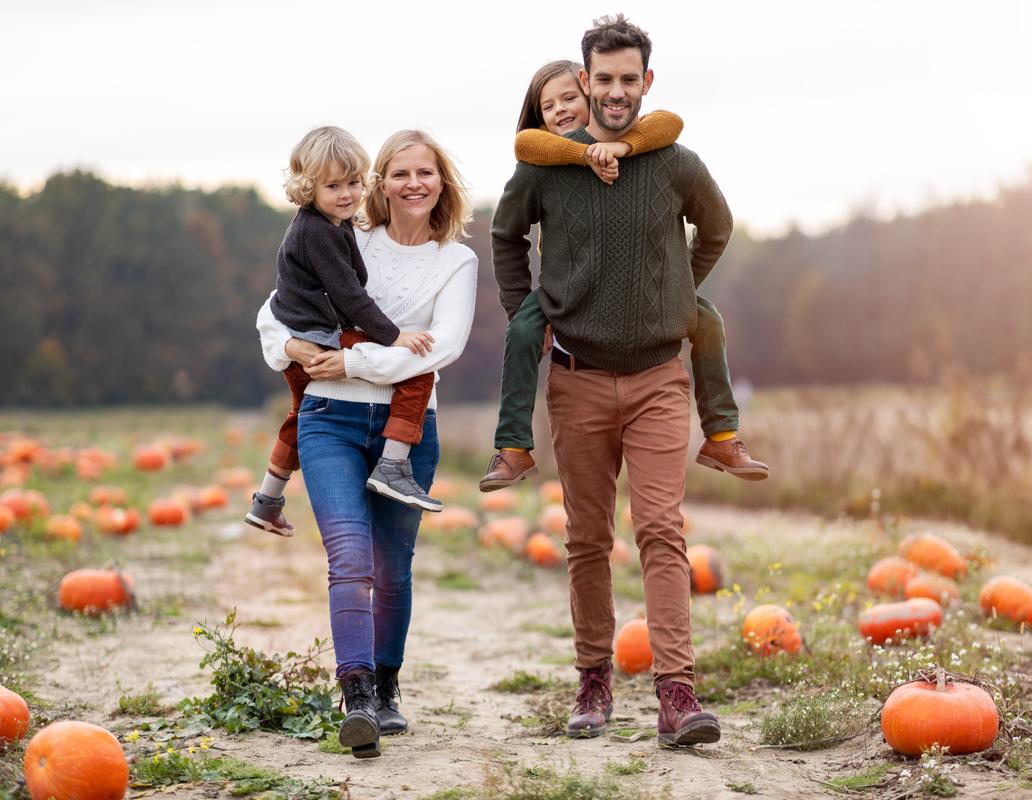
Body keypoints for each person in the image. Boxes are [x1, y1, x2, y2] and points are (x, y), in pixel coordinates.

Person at [491, 14, 731, 746]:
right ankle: (594, 680)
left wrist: (675, 297)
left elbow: (715, 228)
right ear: (585, 82)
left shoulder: (674, 163)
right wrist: (526, 311)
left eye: (631, 79)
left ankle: (677, 695)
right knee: (588, 538)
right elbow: (504, 234)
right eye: (604, 80)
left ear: (646, 82)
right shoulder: (548, 167)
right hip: (577, 380)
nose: (617, 91)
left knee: (661, 529)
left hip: (660, 379)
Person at [257, 130, 477, 758]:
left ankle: (386, 687)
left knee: (392, 569)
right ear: (380, 182)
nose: (413, 184)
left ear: (442, 182)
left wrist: (348, 362)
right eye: (399, 173)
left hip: (408, 430)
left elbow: (444, 346)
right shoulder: (347, 232)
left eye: (425, 173)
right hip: (328, 419)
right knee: (349, 555)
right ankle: (355, 695)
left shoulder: (455, 261)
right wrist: (294, 350)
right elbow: (274, 313)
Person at [479, 59, 769, 492]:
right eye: (548, 106)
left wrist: (673, 284)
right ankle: (513, 447)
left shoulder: (647, 143)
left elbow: (669, 123)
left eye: (569, 98)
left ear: (589, 91)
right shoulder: (541, 157)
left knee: (709, 321)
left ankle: (722, 436)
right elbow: (522, 165)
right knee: (521, 330)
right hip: (565, 296)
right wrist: (518, 301)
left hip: (653, 319)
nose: (559, 110)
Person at [246, 127, 443, 540]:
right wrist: (393, 337)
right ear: (307, 187)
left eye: (353, 183)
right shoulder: (318, 232)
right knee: (418, 367)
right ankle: (393, 463)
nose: (346, 194)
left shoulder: (336, 223)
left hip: (310, 332)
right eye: (332, 185)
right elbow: (351, 296)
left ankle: (267, 501)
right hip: (316, 337)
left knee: (300, 415)